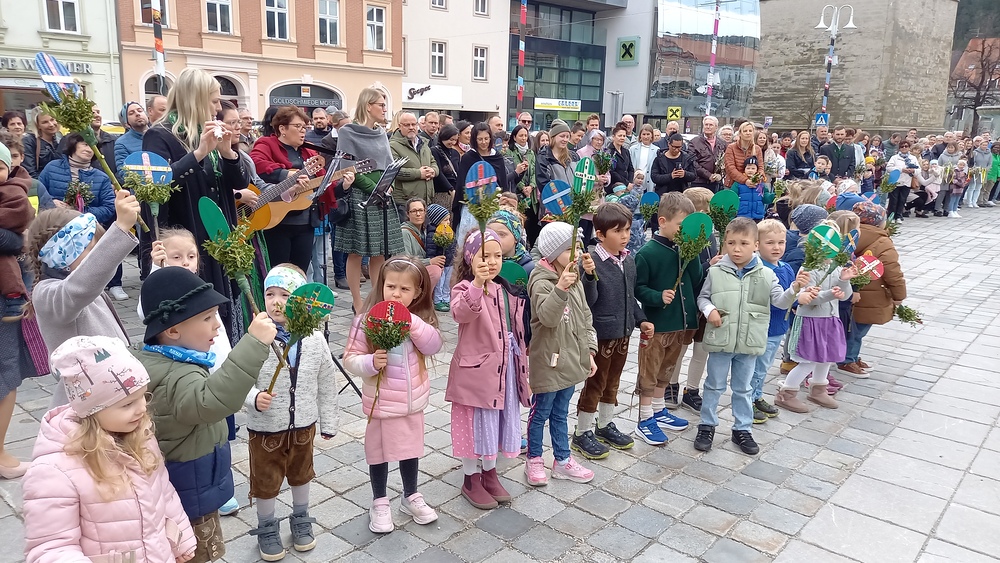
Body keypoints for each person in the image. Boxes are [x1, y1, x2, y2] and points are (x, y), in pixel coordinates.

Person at [137, 267, 277, 562]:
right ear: (173, 331)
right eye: (207, 318)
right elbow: (212, 400)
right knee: (195, 554)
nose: (217, 326)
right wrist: (254, 344)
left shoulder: (167, 360)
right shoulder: (177, 375)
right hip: (189, 496)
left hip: (191, 486)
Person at [22, 336, 197, 562]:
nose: (142, 408)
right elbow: (50, 547)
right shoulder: (54, 471)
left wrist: (180, 538)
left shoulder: (141, 438)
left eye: (143, 396)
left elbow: (163, 492)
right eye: (127, 404)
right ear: (92, 410)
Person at [143, 67, 251, 345]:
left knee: (223, 303)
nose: (218, 108)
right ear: (196, 99)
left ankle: (225, 354)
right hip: (187, 237)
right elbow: (156, 186)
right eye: (214, 101)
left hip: (219, 235)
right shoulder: (160, 135)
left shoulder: (211, 130)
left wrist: (228, 154)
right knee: (194, 307)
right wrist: (200, 153)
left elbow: (240, 182)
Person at [143, 227, 243, 517]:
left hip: (215, 375)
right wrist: (156, 270)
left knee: (220, 439)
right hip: (193, 385)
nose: (186, 262)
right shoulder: (163, 295)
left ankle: (220, 485)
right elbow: (146, 314)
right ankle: (203, 492)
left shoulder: (202, 292)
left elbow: (219, 339)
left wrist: (229, 365)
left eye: (191, 256)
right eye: (176, 257)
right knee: (199, 441)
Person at [245, 265, 337, 560]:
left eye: (285, 295)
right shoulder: (255, 337)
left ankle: (301, 517)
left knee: (302, 473)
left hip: (303, 426)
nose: (276, 301)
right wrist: (253, 397)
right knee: (265, 479)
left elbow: (326, 380)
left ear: (300, 300)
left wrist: (329, 421)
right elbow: (238, 377)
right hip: (266, 429)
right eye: (270, 294)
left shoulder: (315, 339)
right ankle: (266, 525)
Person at [344, 258, 443, 531]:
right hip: (382, 403)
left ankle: (410, 495)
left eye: (405, 289)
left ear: (417, 293)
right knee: (378, 453)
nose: (396, 294)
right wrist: (370, 363)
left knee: (410, 450)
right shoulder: (366, 320)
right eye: (391, 287)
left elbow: (434, 345)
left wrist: (412, 323)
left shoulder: (417, 320)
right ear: (381, 285)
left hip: (411, 403)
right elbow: (350, 358)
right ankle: (379, 500)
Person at [694, 218, 803, 454]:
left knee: (743, 388)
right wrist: (709, 310)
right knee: (713, 385)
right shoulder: (715, 272)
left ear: (755, 245)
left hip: (749, 342)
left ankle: (742, 428)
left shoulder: (767, 274)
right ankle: (707, 425)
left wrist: (794, 290)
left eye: (743, 243)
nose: (736, 249)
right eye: (731, 243)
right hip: (721, 340)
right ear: (724, 243)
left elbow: (780, 301)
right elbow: (703, 297)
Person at [27, 192, 139, 409]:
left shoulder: (88, 290)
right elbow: (80, 287)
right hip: (86, 405)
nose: (98, 255)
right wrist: (121, 227)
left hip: (112, 395)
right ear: (64, 254)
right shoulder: (48, 293)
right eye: (91, 250)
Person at [447, 229, 528, 504]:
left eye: (497, 256)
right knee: (474, 425)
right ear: (470, 259)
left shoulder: (503, 288)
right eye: (485, 256)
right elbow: (461, 313)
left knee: (495, 423)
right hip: (476, 374)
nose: (492, 262)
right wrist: (477, 284)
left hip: (503, 368)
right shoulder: (464, 288)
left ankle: (490, 473)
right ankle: (470, 478)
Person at [573, 203, 652, 459]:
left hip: (623, 334)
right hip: (601, 335)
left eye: (627, 230)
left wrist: (641, 320)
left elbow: (630, 297)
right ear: (600, 234)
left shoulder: (627, 260)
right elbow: (588, 301)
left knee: (613, 382)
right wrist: (589, 276)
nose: (625, 236)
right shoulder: (592, 262)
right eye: (618, 231)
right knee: (595, 383)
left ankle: (605, 424)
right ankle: (582, 431)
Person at [525, 222, 597, 485]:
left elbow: (585, 316)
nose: (575, 254)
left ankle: (563, 460)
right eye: (569, 249)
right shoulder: (541, 280)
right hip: (549, 360)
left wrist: (589, 350)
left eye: (577, 247)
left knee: (561, 412)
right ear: (553, 254)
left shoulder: (573, 276)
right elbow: (547, 318)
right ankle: (533, 459)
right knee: (541, 411)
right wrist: (560, 289)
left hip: (571, 358)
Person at [633, 193, 697, 445]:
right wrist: (657, 296)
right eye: (681, 225)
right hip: (657, 326)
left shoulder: (684, 249)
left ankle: (659, 410)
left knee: (666, 370)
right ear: (663, 221)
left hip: (679, 324)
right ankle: (645, 418)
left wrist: (693, 254)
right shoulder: (647, 253)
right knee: (649, 373)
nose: (684, 230)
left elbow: (696, 279)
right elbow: (638, 288)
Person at [335, 88, 405, 313]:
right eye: (381, 105)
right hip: (359, 195)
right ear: (368, 106)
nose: (385, 109)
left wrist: (388, 183)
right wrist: (373, 188)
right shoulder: (347, 132)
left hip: (382, 196)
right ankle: (357, 302)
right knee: (356, 252)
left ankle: (377, 300)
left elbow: (388, 164)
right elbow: (347, 168)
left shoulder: (381, 133)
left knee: (380, 252)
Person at [774, 222, 856, 412]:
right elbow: (809, 299)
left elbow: (846, 295)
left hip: (830, 320)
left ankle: (818, 389)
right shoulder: (808, 269)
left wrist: (844, 281)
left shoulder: (837, 268)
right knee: (808, 360)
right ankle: (787, 393)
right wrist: (830, 294)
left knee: (827, 356)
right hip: (811, 322)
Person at [250, 105, 332, 272]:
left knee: (300, 273)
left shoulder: (308, 151)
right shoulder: (267, 144)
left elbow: (321, 183)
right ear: (282, 129)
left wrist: (344, 185)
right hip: (277, 222)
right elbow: (257, 163)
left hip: (306, 223)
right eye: (298, 126)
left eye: (305, 127)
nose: (303, 131)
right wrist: (287, 175)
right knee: (278, 273)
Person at [665, 188, 720, 412]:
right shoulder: (680, 239)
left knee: (701, 349)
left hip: (708, 301)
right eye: (703, 212)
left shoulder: (710, 236)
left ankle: (692, 390)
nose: (706, 218)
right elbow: (685, 272)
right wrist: (708, 265)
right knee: (680, 348)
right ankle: (671, 385)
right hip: (688, 301)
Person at [0, 141, 34, 480]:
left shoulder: (15, 193)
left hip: (6, 293)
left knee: (7, 370)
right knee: (5, 370)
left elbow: (20, 238)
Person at [843, 202, 905, 375]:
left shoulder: (847, 235)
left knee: (850, 327)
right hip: (871, 295)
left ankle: (850, 357)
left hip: (847, 290)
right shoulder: (882, 241)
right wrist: (899, 295)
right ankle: (847, 360)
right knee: (858, 330)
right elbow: (893, 271)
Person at [751, 219, 798, 421]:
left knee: (765, 366)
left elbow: (792, 294)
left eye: (781, 242)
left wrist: (799, 299)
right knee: (755, 367)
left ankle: (757, 395)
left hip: (779, 327)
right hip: (762, 327)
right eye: (770, 243)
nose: (776, 247)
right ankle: (747, 400)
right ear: (757, 244)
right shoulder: (758, 269)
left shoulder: (786, 267)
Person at [452, 123, 511, 245]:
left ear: (490, 138)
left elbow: (502, 182)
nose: (483, 142)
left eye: (486, 138)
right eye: (480, 139)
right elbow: (462, 184)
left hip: (493, 207)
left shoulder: (497, 157)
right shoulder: (468, 157)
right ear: (475, 139)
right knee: (470, 241)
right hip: (472, 208)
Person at [389, 112, 438, 214]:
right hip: (405, 202)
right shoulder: (392, 146)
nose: (411, 128)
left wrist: (433, 171)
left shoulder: (423, 143)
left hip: (425, 200)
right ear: (399, 126)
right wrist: (419, 173)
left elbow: (433, 161)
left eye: (413, 124)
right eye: (407, 125)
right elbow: (395, 172)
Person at [503, 125, 538, 243]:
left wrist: (531, 186)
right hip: (516, 192)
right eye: (521, 135)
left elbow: (534, 171)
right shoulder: (508, 152)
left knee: (531, 224)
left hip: (530, 193)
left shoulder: (530, 153)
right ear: (514, 137)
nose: (523, 138)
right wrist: (523, 187)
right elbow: (512, 172)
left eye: (525, 135)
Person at [400, 197, 445, 288]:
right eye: (414, 211)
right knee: (435, 271)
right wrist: (430, 261)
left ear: (425, 212)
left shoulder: (425, 231)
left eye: (421, 210)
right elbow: (404, 261)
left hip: (419, 269)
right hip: (408, 272)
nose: (418, 214)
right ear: (408, 214)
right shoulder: (404, 232)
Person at [423, 204, 455, 311]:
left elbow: (453, 245)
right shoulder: (433, 234)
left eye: (448, 219)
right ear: (437, 221)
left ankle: (446, 299)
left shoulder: (449, 231)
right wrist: (433, 259)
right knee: (440, 283)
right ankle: (438, 300)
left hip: (449, 262)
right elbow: (431, 249)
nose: (448, 222)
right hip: (440, 263)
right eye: (445, 220)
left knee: (447, 282)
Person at [487, 208, 533, 276]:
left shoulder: (529, 268)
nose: (495, 238)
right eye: (491, 233)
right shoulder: (482, 262)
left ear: (516, 238)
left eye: (501, 234)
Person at [688, 116, 727, 192]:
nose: (708, 127)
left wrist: (720, 175)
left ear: (716, 127)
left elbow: (726, 161)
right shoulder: (694, 142)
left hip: (716, 183)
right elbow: (692, 162)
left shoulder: (722, 143)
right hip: (699, 182)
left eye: (711, 125)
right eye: (706, 125)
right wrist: (708, 175)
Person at [114, 101, 150, 182]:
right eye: (131, 113)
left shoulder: (160, 134)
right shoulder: (121, 143)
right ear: (126, 123)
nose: (137, 114)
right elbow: (123, 171)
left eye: (140, 110)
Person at [22, 111, 63, 178]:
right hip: (40, 181)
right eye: (45, 122)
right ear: (38, 125)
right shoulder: (30, 141)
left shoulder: (60, 138)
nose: (51, 124)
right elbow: (30, 171)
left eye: (52, 120)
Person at [724, 121, 765, 189]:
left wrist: (756, 179)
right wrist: (745, 180)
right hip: (733, 185)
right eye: (745, 131)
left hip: (753, 185)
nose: (748, 133)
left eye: (750, 131)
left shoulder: (757, 149)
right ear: (740, 133)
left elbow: (760, 167)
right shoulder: (731, 147)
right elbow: (730, 168)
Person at [885, 141, 919, 220]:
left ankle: (899, 216)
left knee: (902, 200)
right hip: (895, 182)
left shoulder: (913, 158)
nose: (904, 148)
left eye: (906, 146)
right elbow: (888, 168)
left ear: (909, 148)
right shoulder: (894, 157)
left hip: (906, 181)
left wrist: (913, 170)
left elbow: (918, 170)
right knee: (893, 200)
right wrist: (901, 169)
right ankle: (891, 217)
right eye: (902, 146)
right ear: (899, 148)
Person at [732, 156, 766, 221]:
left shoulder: (761, 184)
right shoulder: (738, 183)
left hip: (757, 215)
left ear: (756, 170)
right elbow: (733, 197)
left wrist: (773, 196)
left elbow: (765, 198)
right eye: (748, 168)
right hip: (742, 215)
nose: (750, 170)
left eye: (753, 168)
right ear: (744, 169)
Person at [89, 107, 119, 178]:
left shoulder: (114, 141)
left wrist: (115, 182)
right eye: (92, 113)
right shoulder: (73, 142)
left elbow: (122, 167)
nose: (97, 115)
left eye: (98, 112)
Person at [630, 124, 659, 193]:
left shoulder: (657, 150)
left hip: (649, 183)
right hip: (634, 184)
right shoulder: (633, 149)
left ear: (652, 135)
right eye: (644, 134)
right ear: (640, 135)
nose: (646, 137)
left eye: (648, 134)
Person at [607, 122, 635, 191]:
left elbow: (631, 169)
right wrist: (626, 183)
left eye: (624, 136)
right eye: (620, 136)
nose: (622, 138)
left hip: (627, 188)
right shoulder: (608, 152)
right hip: (613, 187)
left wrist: (629, 183)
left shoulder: (626, 151)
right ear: (613, 137)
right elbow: (611, 171)